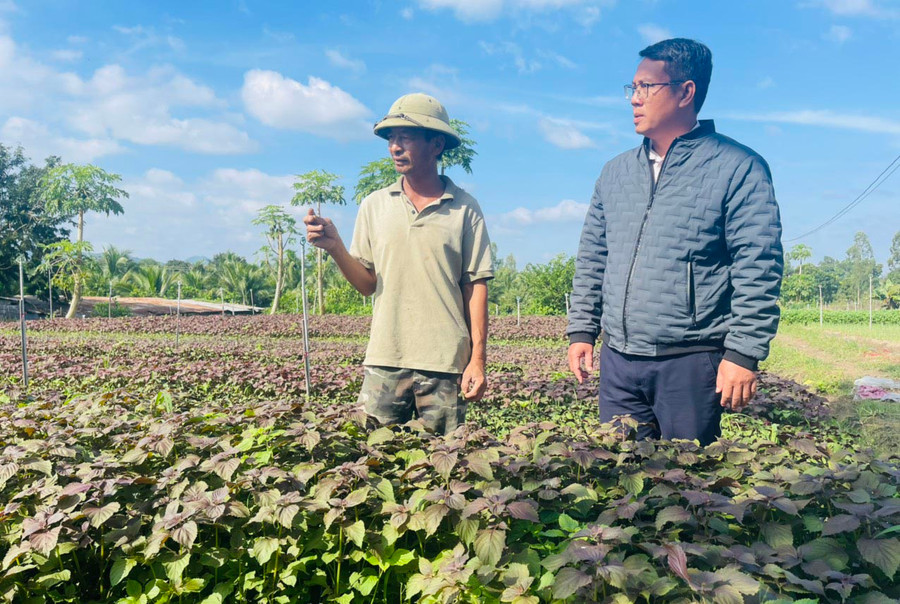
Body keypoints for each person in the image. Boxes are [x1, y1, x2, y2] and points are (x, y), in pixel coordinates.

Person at [567, 38, 783, 445]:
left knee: (686, 490)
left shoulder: (738, 167)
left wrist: (742, 354)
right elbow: (593, 256)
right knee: (621, 484)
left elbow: (758, 265)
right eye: (632, 88)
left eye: (647, 87)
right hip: (618, 361)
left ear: (687, 92)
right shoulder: (614, 173)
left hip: (690, 361)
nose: (635, 99)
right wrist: (582, 329)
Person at [304, 93, 493, 436]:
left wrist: (477, 360)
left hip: (444, 364)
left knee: (442, 469)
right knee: (373, 462)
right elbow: (367, 283)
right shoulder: (374, 205)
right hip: (385, 358)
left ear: (436, 144)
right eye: (391, 138)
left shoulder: (465, 208)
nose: (394, 146)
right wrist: (335, 248)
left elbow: (475, 286)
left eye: (405, 137)